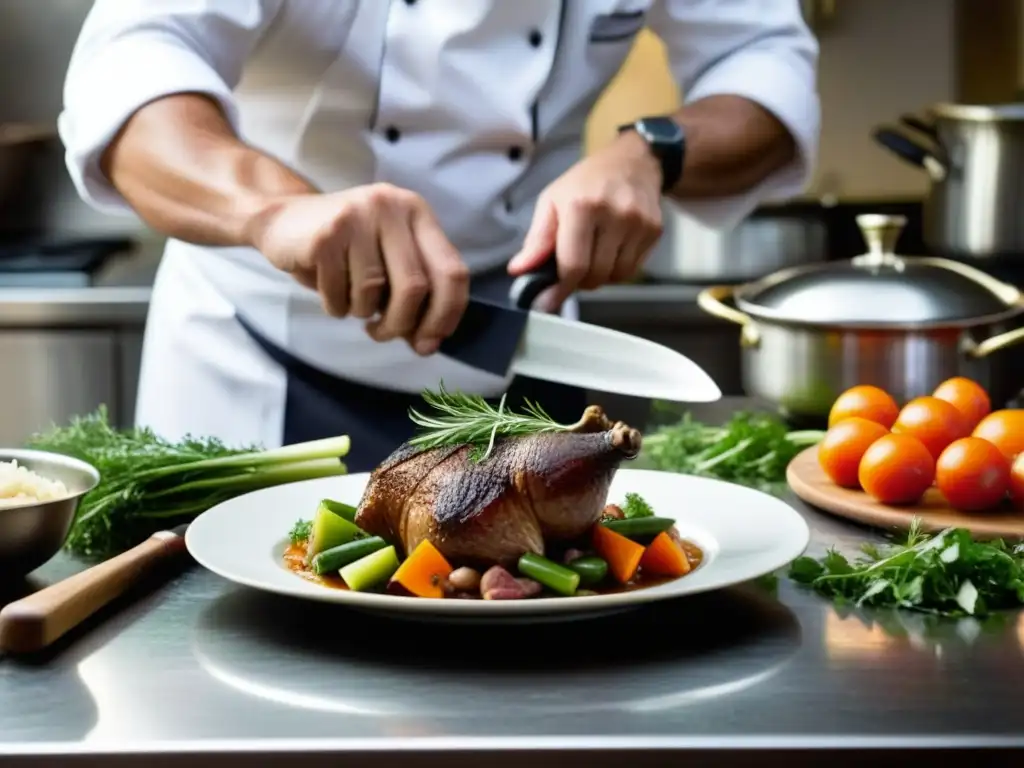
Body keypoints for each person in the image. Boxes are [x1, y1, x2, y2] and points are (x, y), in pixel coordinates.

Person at [59, 0, 819, 471]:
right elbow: (130, 73)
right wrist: (279, 211)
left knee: (532, 666)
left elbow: (766, 66)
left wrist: (651, 151)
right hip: (258, 360)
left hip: (526, 345)